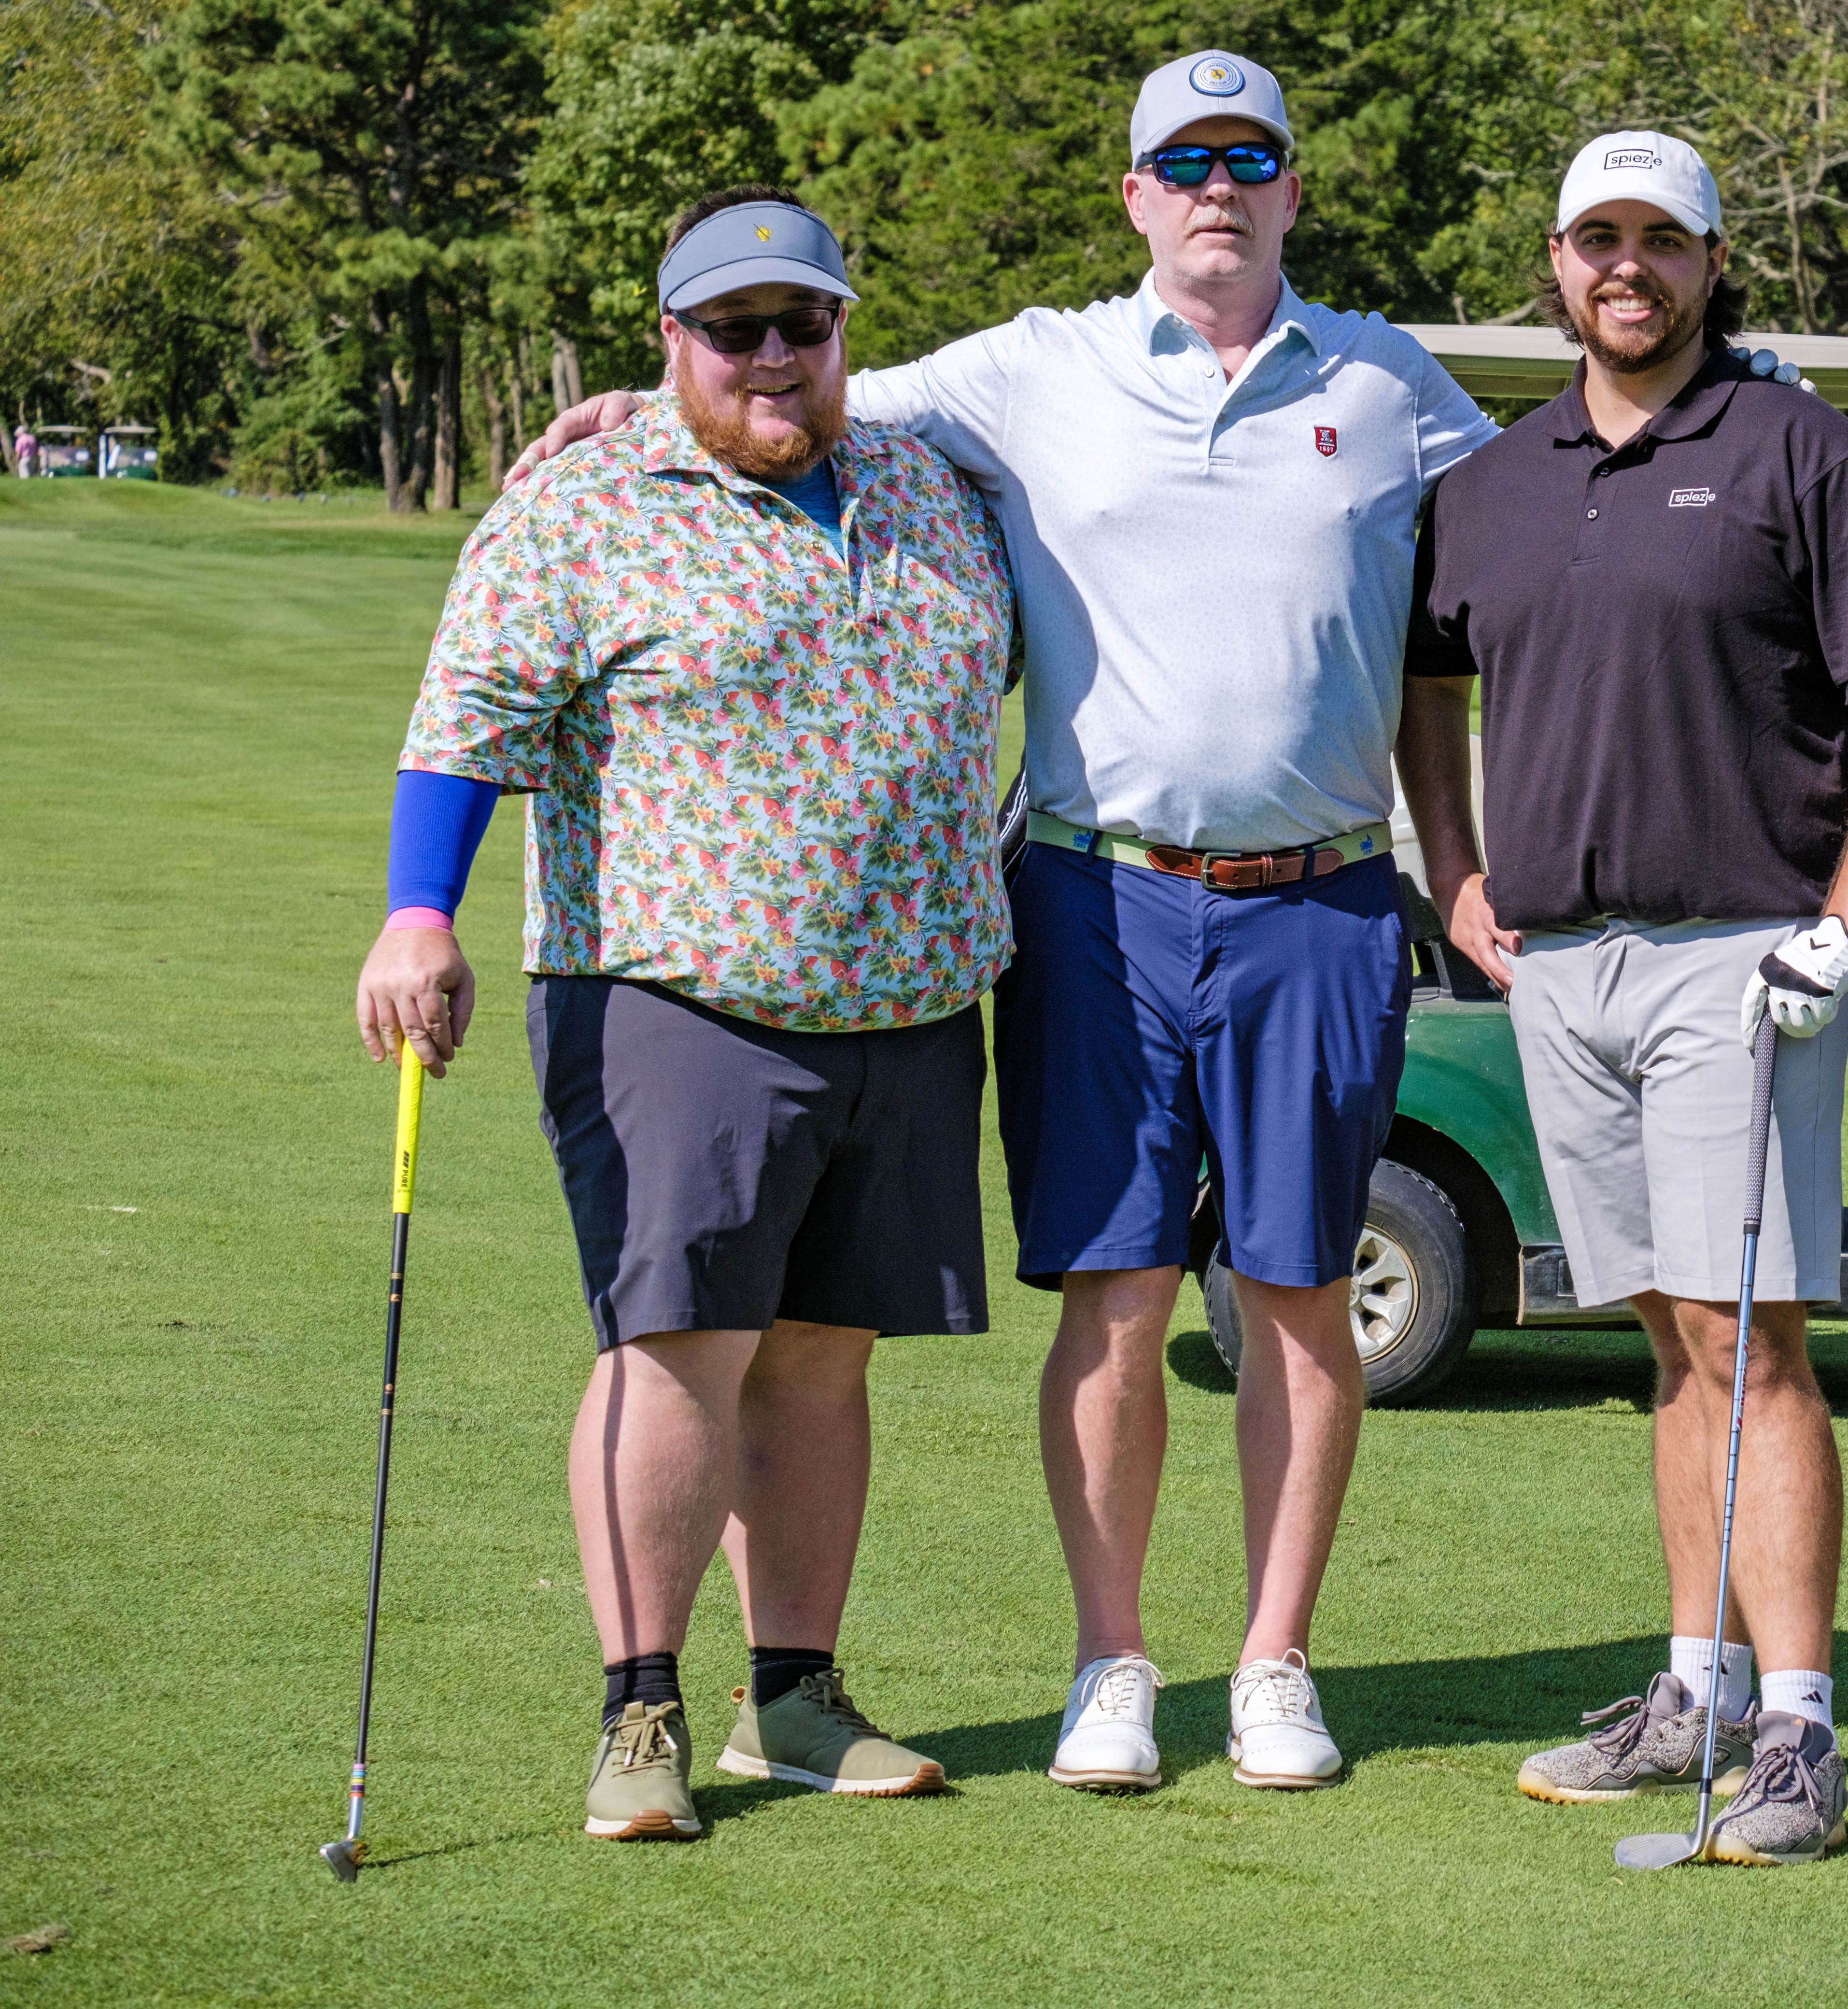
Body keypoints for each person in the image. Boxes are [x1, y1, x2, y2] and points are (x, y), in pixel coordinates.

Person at [515, 51, 1507, 1795]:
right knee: (1117, 1298)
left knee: (1293, 1296)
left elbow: (1548, 527)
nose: (1218, 183)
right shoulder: (1026, 366)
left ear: (1291, 190)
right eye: (1182, 159)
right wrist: (631, 400)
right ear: (1134, 195)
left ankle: (1273, 1666)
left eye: (1249, 157)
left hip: (1323, 900)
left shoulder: (1388, 379)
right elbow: (793, 380)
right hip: (1091, 895)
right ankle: (1110, 1666)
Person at [353, 187, 1017, 1841]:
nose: (775, 358)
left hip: (911, 1003)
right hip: (676, 997)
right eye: (736, 332)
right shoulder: (585, 504)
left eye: (805, 325)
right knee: (681, 1353)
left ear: (846, 329)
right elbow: (463, 722)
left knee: (822, 1358)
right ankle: (637, 1710)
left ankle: (790, 1698)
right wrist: (417, 911)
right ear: (673, 344)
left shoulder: (933, 481)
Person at [1403, 132, 1848, 1865]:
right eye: (1596, 238)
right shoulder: (1492, 479)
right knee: (1662, 1335)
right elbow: (1433, 684)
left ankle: (1797, 1732)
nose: (1626, 268)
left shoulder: (1803, 452)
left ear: (1715, 265)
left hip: (1748, 956)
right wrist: (1455, 861)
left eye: (1662, 240)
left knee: (1753, 1339)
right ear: (1556, 263)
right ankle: (1696, 1687)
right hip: (1564, 964)